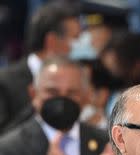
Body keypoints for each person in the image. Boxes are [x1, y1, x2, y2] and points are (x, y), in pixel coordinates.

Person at [0, 1, 80, 134]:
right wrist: (36, 108)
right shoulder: (4, 82)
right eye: (75, 38)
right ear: (52, 41)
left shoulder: (80, 80)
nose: (80, 44)